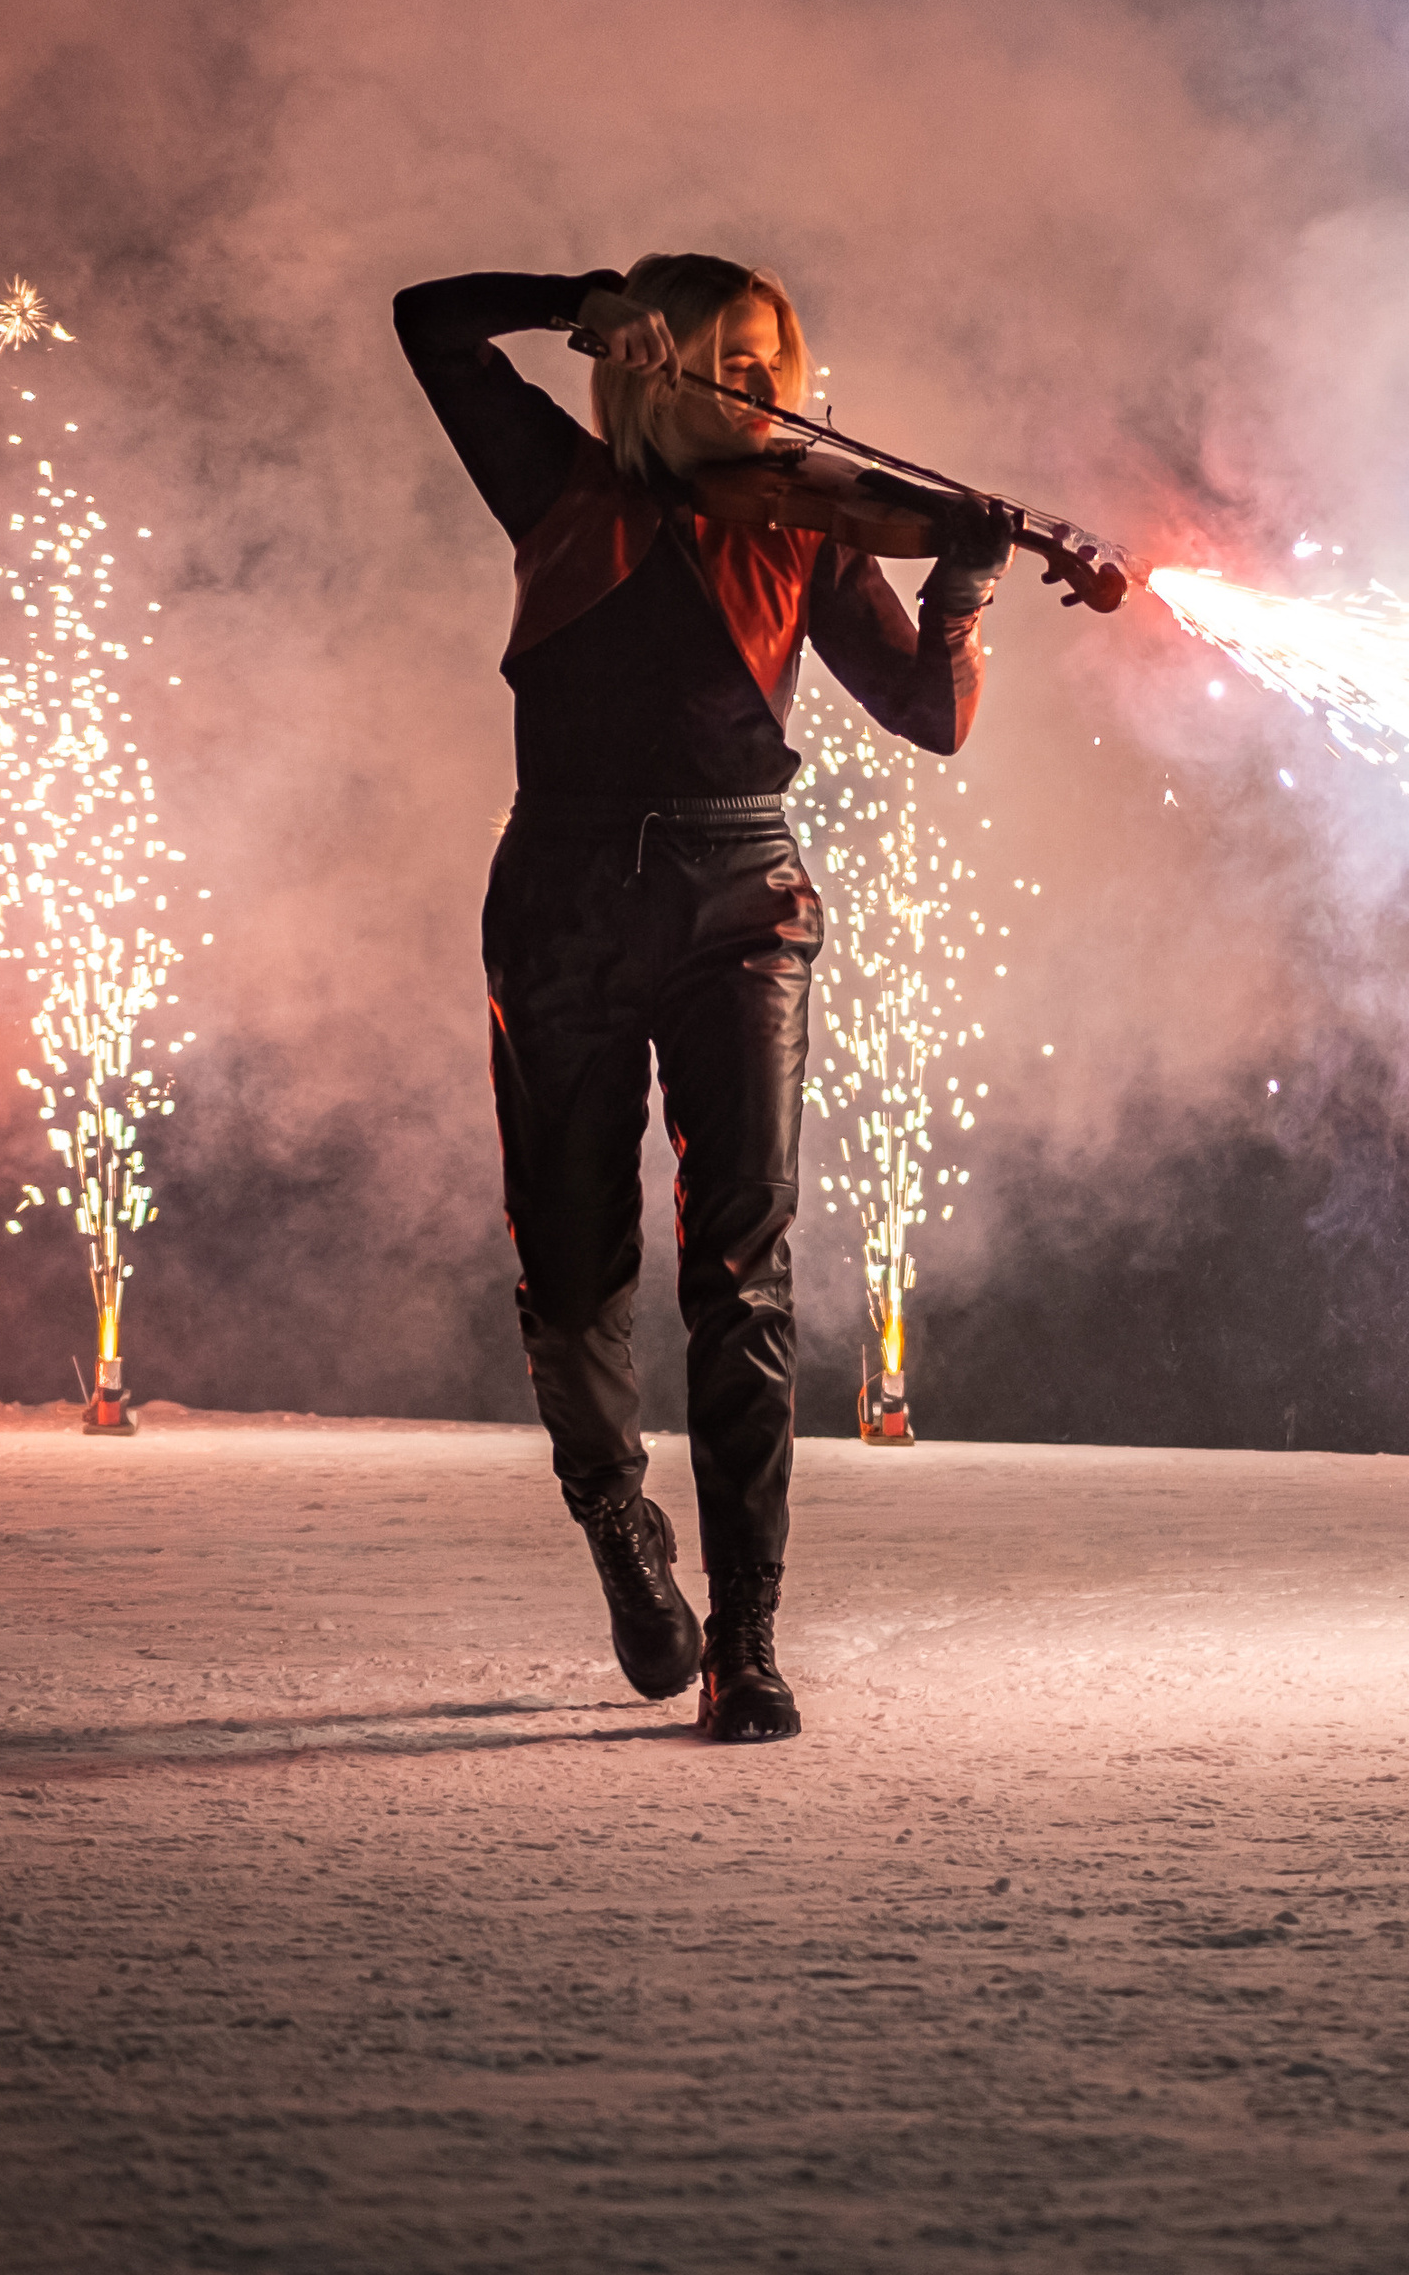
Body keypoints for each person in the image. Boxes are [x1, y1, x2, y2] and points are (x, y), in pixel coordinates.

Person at [394, 253, 1011, 1741]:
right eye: (724, 361)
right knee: (571, 1267)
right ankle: (620, 1524)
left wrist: (962, 601)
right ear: (644, 359)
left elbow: (930, 719)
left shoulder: (801, 523)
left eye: (770, 366)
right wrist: (572, 291)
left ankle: (746, 1639)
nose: (755, 391)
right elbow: (425, 318)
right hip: (562, 895)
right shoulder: (552, 473)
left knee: (744, 1271)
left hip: (746, 897)